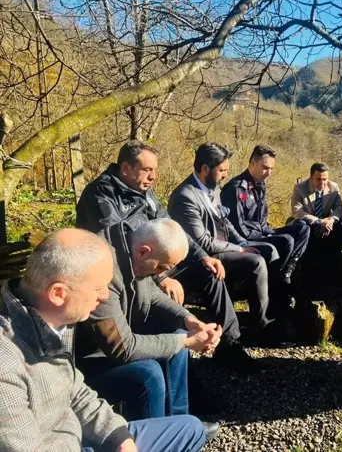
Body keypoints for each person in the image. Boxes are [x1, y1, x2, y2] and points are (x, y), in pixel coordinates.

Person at [0, 228, 206, 452]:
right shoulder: (6, 363)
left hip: (81, 436)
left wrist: (119, 438)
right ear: (58, 293)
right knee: (148, 375)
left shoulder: (53, 322)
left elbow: (77, 392)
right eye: (99, 288)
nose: (105, 296)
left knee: (191, 428)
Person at [76, 140, 256, 372]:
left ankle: (229, 345)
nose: (153, 177)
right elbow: (125, 253)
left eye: (155, 170)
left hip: (155, 262)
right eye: (147, 170)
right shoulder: (101, 196)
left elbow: (172, 228)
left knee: (210, 273)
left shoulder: (144, 192)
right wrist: (161, 277)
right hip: (124, 273)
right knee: (169, 303)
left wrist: (202, 256)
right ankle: (185, 372)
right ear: (125, 169)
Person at [76, 219, 222, 441]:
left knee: (176, 336)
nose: (162, 274)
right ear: (145, 252)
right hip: (82, 361)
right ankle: (153, 440)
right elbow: (120, 347)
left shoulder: (132, 251)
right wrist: (186, 341)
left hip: (113, 339)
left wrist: (189, 321)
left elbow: (152, 295)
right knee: (148, 373)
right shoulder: (102, 268)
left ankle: (178, 424)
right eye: (162, 268)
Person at [169, 142, 291, 341]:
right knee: (256, 262)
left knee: (269, 250)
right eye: (222, 170)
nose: (225, 175)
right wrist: (242, 251)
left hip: (225, 246)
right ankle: (261, 326)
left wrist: (243, 244)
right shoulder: (186, 196)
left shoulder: (212, 188)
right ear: (205, 169)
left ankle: (276, 312)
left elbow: (225, 222)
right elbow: (203, 242)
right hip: (204, 257)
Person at [222, 144, 309, 286]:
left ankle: (287, 270)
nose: (269, 173)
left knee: (302, 228)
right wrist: (267, 236)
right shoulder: (237, 188)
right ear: (252, 163)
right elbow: (238, 227)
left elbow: (262, 220)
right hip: (248, 237)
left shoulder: (260, 185)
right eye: (265, 167)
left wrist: (269, 232)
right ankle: (277, 282)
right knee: (286, 241)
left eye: (271, 169)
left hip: (263, 231)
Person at [291, 162, 342, 259]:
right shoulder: (300, 188)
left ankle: (333, 258)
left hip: (327, 226)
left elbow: (339, 208)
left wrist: (331, 220)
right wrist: (319, 221)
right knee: (300, 225)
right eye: (318, 179)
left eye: (325, 179)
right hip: (309, 225)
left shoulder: (333, 187)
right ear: (311, 177)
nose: (322, 183)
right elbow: (297, 211)